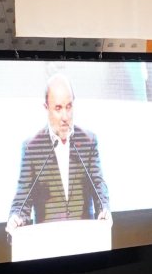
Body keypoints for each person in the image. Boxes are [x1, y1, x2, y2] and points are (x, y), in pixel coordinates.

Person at [7, 74, 110, 231]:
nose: (65, 117)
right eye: (58, 108)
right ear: (46, 108)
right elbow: (23, 197)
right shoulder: (32, 147)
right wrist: (16, 216)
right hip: (47, 240)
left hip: (85, 237)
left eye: (69, 107)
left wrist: (104, 209)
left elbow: (98, 184)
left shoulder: (88, 141)